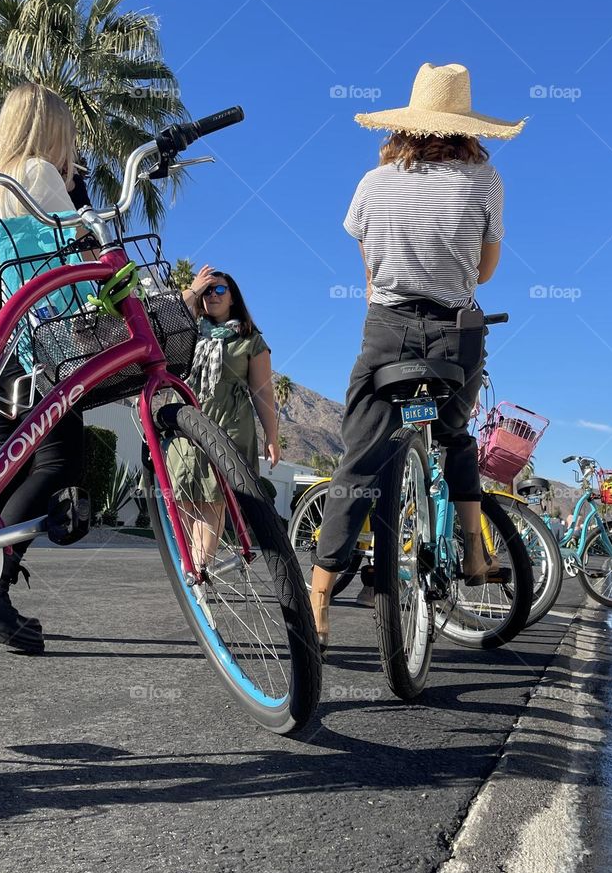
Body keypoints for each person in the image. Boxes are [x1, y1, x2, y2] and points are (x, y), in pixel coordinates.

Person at [310, 62, 526, 645]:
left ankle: (320, 591)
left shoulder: (371, 183)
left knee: (358, 458)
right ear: (466, 126)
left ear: (406, 123)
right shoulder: (488, 182)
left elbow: (369, 269)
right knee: (455, 439)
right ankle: (476, 555)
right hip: (456, 333)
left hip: (387, 329)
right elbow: (483, 270)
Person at [0, 83, 89, 654]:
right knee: (61, 460)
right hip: (24, 344)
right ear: (51, 129)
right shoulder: (38, 173)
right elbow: (71, 258)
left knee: (1, 474)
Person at [169, 266, 280, 572]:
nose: (213, 295)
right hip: (185, 424)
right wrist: (192, 290)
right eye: (208, 290)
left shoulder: (249, 339)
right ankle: (189, 566)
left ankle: (199, 571)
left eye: (220, 290)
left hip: (228, 426)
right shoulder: (186, 329)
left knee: (212, 499)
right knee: (181, 497)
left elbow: (262, 393)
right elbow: (160, 323)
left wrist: (272, 436)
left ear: (233, 298)